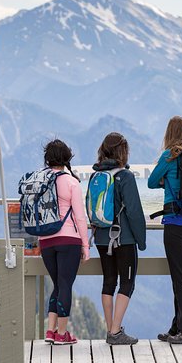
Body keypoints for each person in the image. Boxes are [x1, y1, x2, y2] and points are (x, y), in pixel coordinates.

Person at [147, 116, 182, 344]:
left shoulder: (169, 156)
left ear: (168, 134)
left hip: (175, 224)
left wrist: (165, 183)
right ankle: (177, 327)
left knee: (180, 278)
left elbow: (151, 181)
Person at [92, 132, 147, 345]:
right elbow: (134, 212)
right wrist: (141, 241)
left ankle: (110, 329)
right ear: (123, 151)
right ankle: (116, 332)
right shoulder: (125, 177)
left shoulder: (97, 175)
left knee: (108, 282)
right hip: (123, 239)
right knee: (127, 283)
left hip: (101, 238)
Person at [38, 139, 90, 345]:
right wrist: (85, 245)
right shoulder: (71, 182)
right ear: (67, 158)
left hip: (45, 240)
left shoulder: (40, 181)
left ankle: (50, 331)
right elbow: (79, 217)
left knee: (58, 285)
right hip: (69, 239)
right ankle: (61, 334)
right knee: (66, 284)